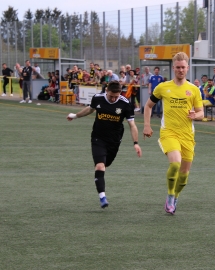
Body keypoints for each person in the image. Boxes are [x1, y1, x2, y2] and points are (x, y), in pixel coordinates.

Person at [143, 52, 204, 215]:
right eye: (177, 67)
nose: (180, 70)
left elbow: (201, 113)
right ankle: (170, 196)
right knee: (175, 164)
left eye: (183, 67)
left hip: (187, 136)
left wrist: (195, 116)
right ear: (173, 68)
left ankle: (175, 196)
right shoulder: (163, 87)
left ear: (188, 68)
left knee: (184, 176)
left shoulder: (193, 90)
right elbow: (148, 106)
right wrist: (147, 126)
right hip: (169, 133)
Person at [66, 81, 142, 208]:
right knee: (100, 166)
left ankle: (100, 184)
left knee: (106, 164)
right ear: (106, 90)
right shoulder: (98, 98)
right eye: (111, 96)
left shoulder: (126, 104)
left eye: (116, 97)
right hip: (98, 138)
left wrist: (136, 143)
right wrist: (75, 116)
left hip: (114, 141)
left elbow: (132, 125)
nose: (113, 99)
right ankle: (102, 197)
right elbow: (89, 110)